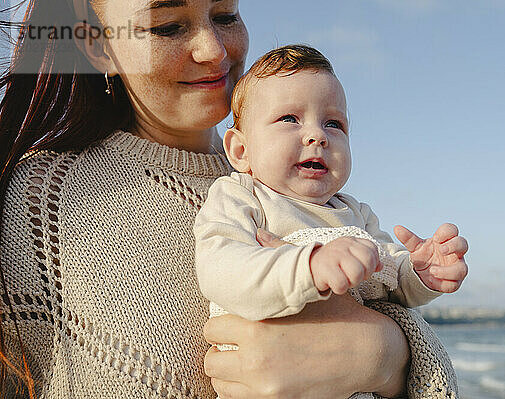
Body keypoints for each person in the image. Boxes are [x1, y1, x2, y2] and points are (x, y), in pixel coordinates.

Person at [0, 1, 466, 398]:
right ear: (97, 45)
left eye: (225, 15)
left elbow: (387, 293)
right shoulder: (39, 206)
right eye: (167, 26)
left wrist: (383, 356)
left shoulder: (298, 184)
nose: (215, 51)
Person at [194, 45, 469, 399]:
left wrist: (417, 273)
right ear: (241, 151)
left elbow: (386, 285)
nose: (317, 136)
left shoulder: (356, 213)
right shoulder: (242, 197)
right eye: (290, 119)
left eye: (333, 123)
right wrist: (308, 264)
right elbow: (221, 270)